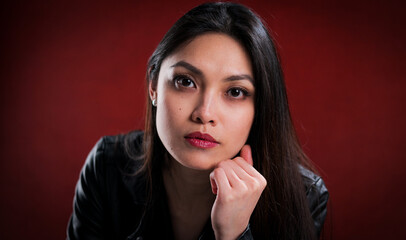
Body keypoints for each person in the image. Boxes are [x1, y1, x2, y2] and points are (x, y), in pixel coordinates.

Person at [67, 2, 329, 240]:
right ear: (154, 86)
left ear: (260, 107)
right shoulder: (107, 166)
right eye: (185, 81)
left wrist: (234, 235)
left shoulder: (304, 197)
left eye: (235, 92)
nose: (204, 113)